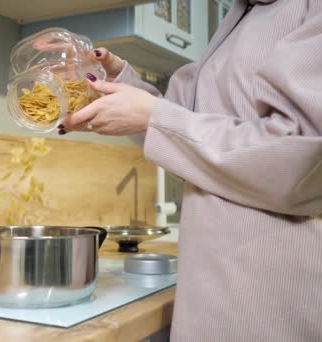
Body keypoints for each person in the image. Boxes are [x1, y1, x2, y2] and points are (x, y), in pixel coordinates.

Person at [60, 0, 322, 340]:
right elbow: (189, 128)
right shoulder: (240, 16)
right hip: (215, 284)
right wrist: (119, 84)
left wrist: (153, 117)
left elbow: (299, 155)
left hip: (268, 292)